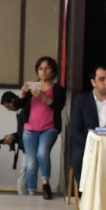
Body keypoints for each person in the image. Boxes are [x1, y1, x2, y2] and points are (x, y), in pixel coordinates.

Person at [15, 55, 65, 199]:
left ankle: (45, 183)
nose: (43, 71)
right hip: (29, 130)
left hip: (49, 128)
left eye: (47, 68)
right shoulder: (32, 87)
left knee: (42, 153)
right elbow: (18, 106)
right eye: (40, 68)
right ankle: (31, 192)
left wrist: (43, 96)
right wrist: (23, 93)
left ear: (53, 72)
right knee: (30, 163)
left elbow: (58, 106)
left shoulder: (58, 90)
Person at [68, 66, 106, 183]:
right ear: (93, 82)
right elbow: (75, 130)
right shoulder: (81, 100)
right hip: (87, 143)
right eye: (102, 79)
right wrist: (92, 143)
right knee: (79, 158)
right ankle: (85, 194)